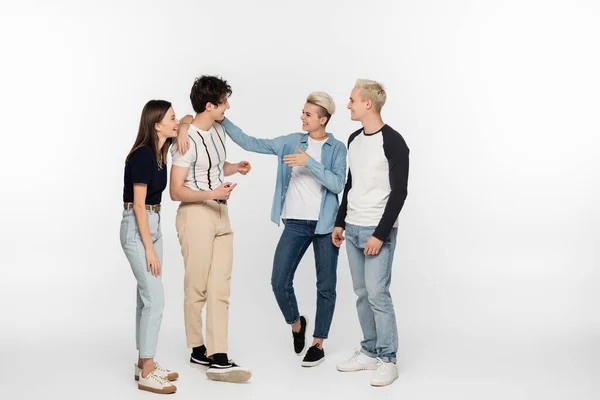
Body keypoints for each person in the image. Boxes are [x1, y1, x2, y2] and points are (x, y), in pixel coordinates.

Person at [179, 91, 347, 367]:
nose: (302, 117)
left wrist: (309, 163)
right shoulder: (292, 141)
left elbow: (337, 184)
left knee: (326, 285)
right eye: (302, 112)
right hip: (294, 222)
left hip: (325, 225)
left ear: (323, 120)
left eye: (307, 114)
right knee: (279, 281)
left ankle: (318, 343)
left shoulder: (337, 148)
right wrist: (220, 117)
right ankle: (296, 324)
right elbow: (250, 142)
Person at [170, 75, 252, 383]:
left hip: (221, 215)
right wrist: (211, 194)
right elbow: (175, 190)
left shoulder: (218, 130)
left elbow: (214, 167)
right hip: (195, 215)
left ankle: (219, 356)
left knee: (221, 287)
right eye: (223, 103)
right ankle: (197, 347)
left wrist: (234, 168)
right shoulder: (185, 140)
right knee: (198, 286)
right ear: (209, 105)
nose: (227, 107)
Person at [333, 79, 410, 387]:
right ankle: (368, 351)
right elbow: (351, 185)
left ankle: (387, 359)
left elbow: (400, 192)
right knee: (362, 294)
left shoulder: (393, 141)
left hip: (379, 230)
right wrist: (340, 222)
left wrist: (380, 233)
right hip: (352, 227)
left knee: (378, 294)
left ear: (368, 104)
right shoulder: (354, 138)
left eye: (352, 100)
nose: (348, 105)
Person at [120, 100, 180, 394]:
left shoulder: (160, 153)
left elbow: (191, 120)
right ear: (157, 125)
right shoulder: (143, 155)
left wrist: (183, 127)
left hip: (153, 225)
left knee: (146, 297)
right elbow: (140, 207)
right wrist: (150, 249)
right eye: (172, 117)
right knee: (155, 298)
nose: (177, 120)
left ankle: (143, 362)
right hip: (137, 226)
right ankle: (147, 369)